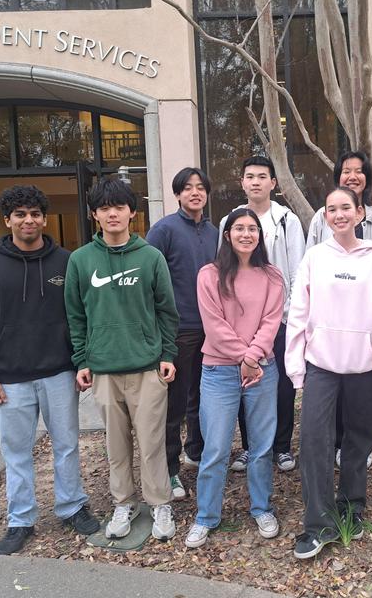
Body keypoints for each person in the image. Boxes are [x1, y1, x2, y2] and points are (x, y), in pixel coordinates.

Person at [0, 185, 99, 556]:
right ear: (7, 219)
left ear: (44, 218)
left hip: (59, 372)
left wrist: (81, 362)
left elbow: (80, 316)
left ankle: (72, 506)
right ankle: (21, 519)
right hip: (10, 377)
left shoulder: (66, 262)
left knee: (67, 445)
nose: (29, 220)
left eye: (35, 214)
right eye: (21, 214)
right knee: (16, 452)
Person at [64, 177, 179, 541]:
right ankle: (123, 503)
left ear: (132, 211)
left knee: (151, 442)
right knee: (115, 445)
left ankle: (160, 504)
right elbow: (75, 316)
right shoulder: (81, 261)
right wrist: (82, 360)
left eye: (119, 206)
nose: (112, 213)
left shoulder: (150, 257)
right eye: (104, 207)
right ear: (95, 214)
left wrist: (167, 354)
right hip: (103, 368)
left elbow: (167, 311)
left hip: (147, 366)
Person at [286, 186, 372, 559]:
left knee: (359, 442)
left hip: (363, 367)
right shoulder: (315, 257)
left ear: (360, 213)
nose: (339, 214)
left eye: (346, 207)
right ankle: (318, 524)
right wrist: (296, 368)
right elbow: (298, 312)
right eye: (332, 209)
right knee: (314, 442)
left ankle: (352, 507)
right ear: (325, 217)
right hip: (322, 367)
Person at [184, 209, 285, 548]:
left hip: (262, 371)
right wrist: (245, 358)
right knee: (215, 447)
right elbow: (214, 326)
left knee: (261, 446)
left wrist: (253, 359)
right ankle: (206, 516)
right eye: (238, 228)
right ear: (227, 235)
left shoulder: (272, 276)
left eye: (252, 229)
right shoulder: (209, 275)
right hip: (218, 371)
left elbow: (271, 323)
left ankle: (262, 507)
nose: (246, 234)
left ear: (260, 235)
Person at [218, 156, 305, 474]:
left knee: (281, 385)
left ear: (273, 183)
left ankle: (281, 446)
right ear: (241, 182)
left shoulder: (287, 221)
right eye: (249, 176)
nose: (255, 181)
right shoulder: (230, 220)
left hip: (279, 320)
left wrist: (291, 316)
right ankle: (249, 447)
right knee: (244, 382)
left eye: (262, 176)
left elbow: (297, 271)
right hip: (241, 321)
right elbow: (223, 268)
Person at [306, 151, 372, 469]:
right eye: (346, 170)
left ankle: (362, 446)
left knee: (364, 393)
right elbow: (309, 266)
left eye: (359, 171)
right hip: (330, 321)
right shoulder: (319, 219)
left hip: (365, 323)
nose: (353, 176)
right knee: (332, 392)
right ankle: (336, 444)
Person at [146, 167, 219, 500]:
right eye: (187, 188)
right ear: (177, 194)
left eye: (200, 187)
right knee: (173, 403)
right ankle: (170, 470)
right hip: (178, 331)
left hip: (213, 330)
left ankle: (197, 451)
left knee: (204, 398)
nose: (195, 192)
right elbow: (149, 283)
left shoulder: (215, 231)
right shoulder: (163, 231)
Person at [306, 151, 372, 248]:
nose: (352, 177)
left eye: (359, 171)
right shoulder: (321, 217)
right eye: (346, 172)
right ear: (338, 178)